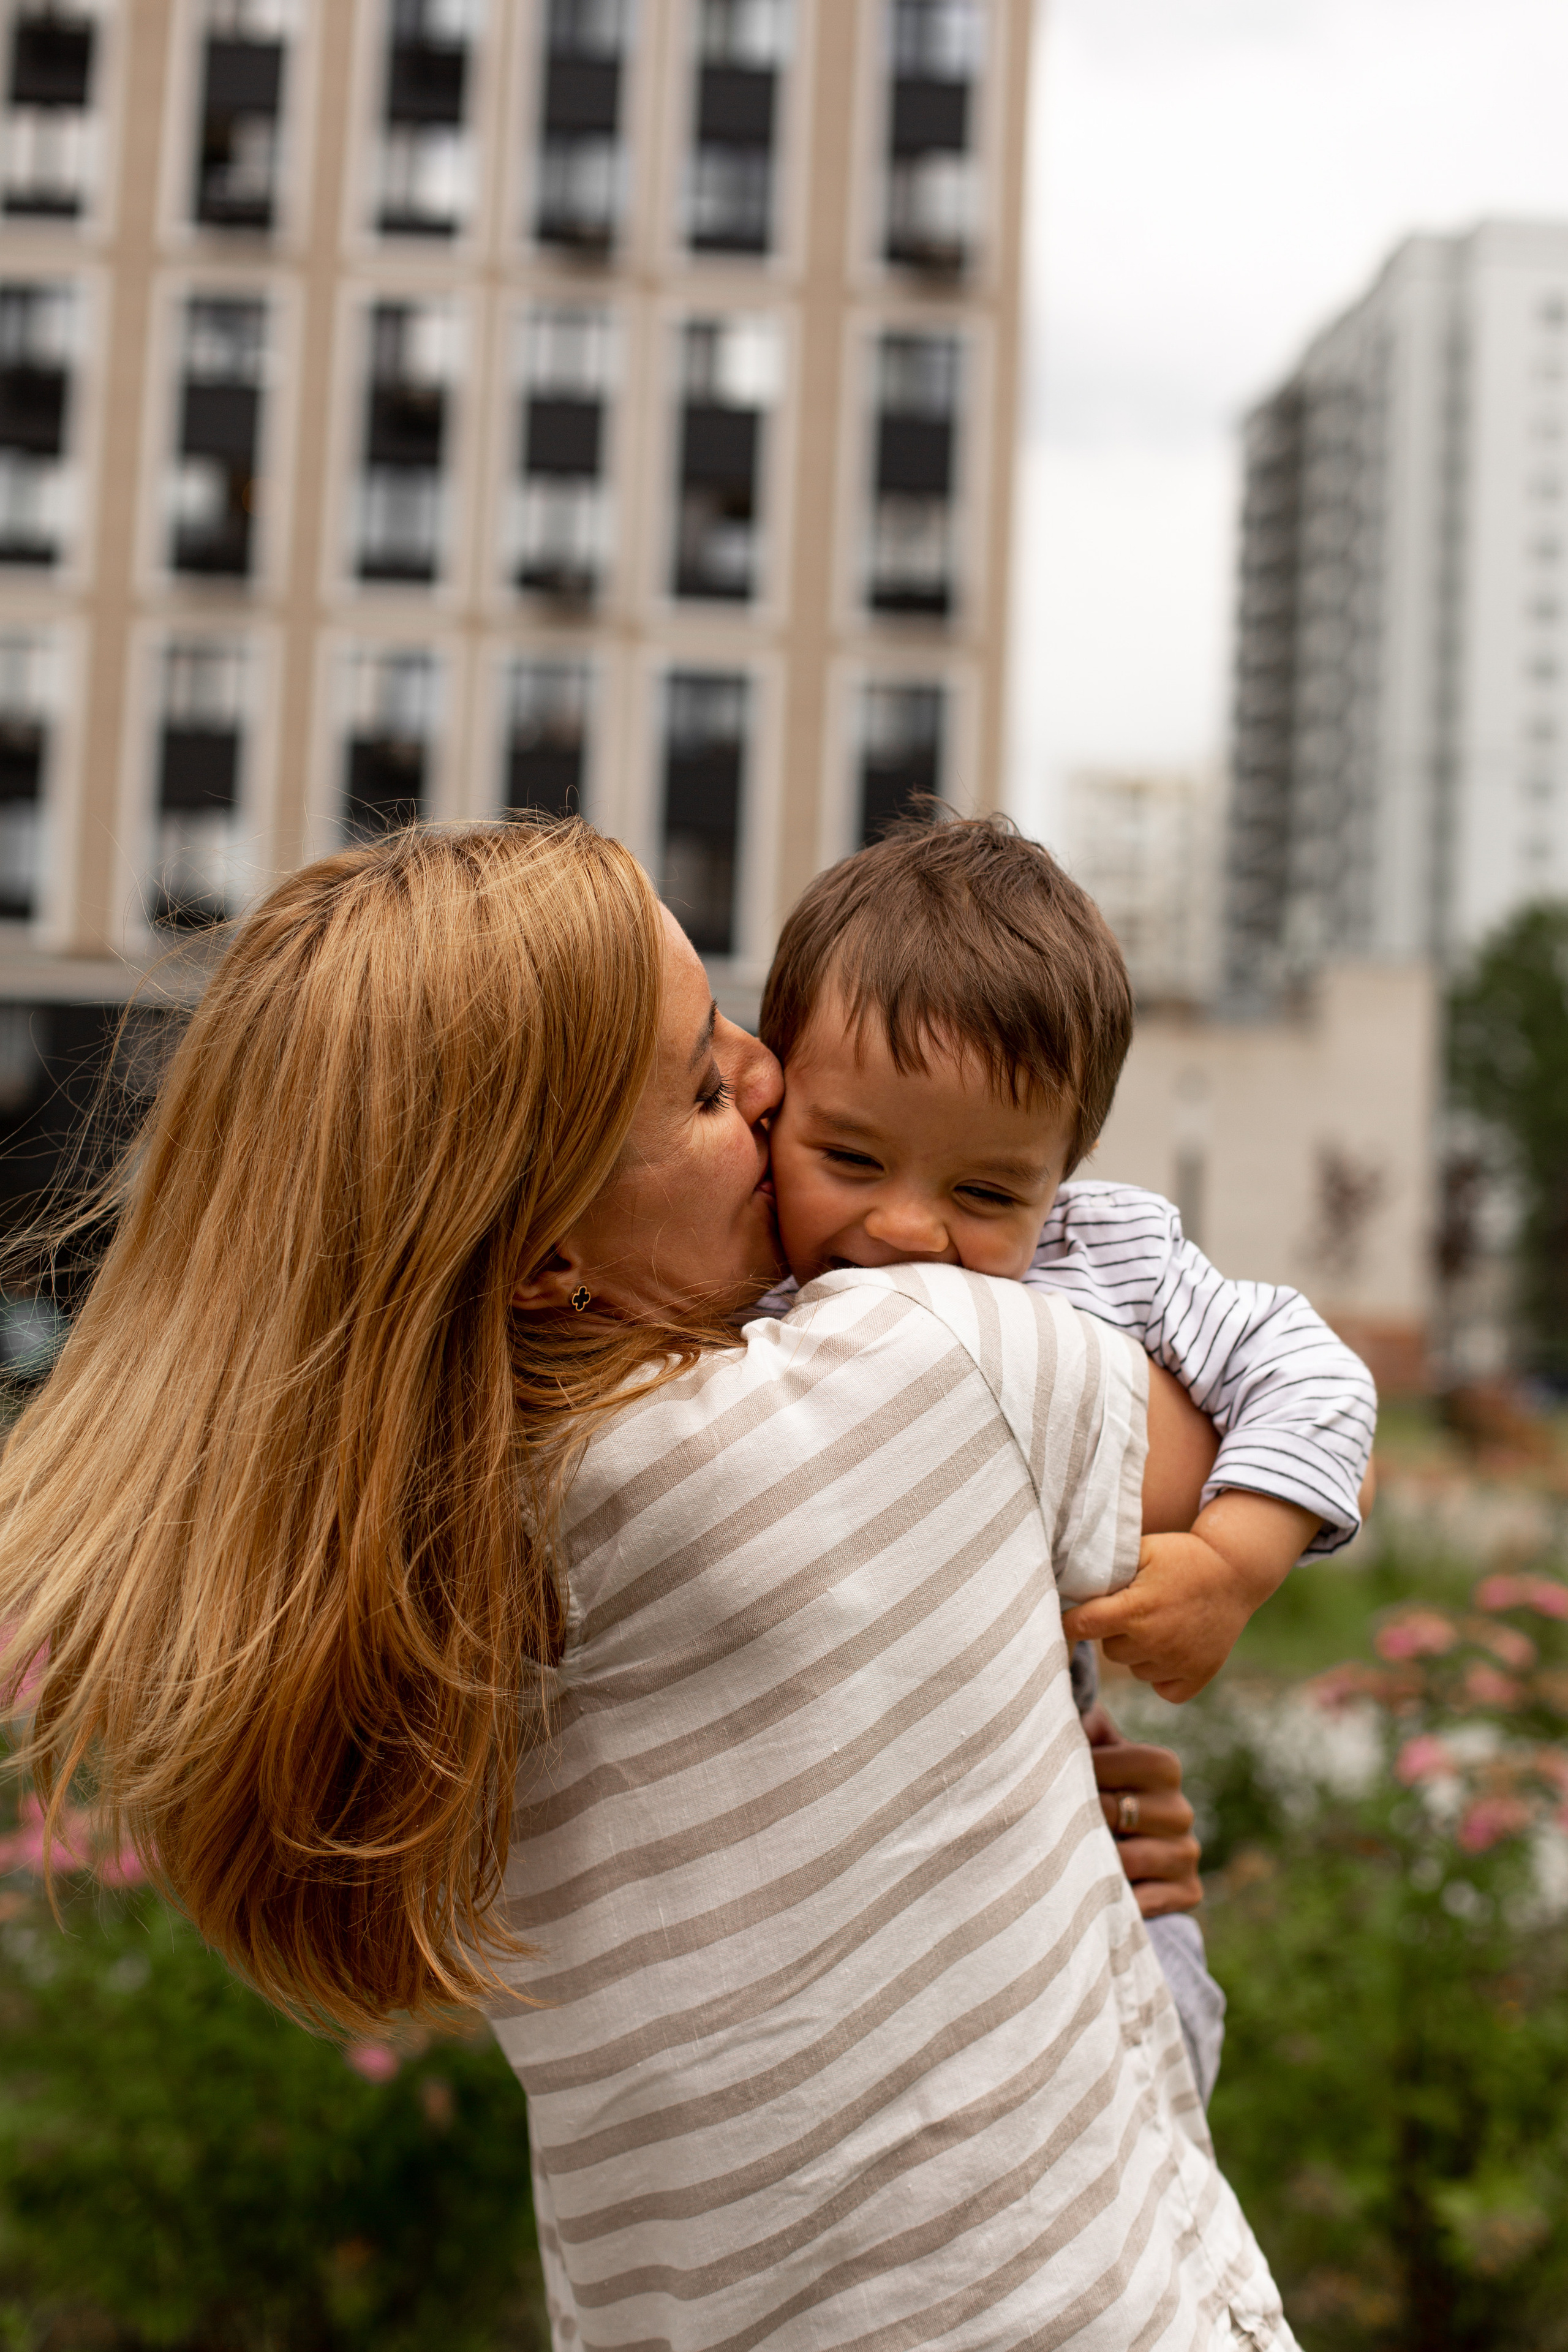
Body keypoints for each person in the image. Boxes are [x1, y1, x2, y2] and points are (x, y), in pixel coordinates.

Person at [0, 823, 1297, 2349]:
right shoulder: (911, 1368)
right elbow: (1236, 1423)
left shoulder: (409, 1548)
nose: (769, 1076)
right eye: (698, 1086)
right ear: (544, 1251)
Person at [758, 815, 1378, 1705]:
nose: (906, 1228)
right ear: (773, 1101)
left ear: (1063, 1172)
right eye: (852, 1159)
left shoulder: (1107, 1256)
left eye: (985, 1192)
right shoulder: (736, 1276)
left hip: (1021, 1747)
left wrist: (1232, 1565)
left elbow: (1314, 1375)